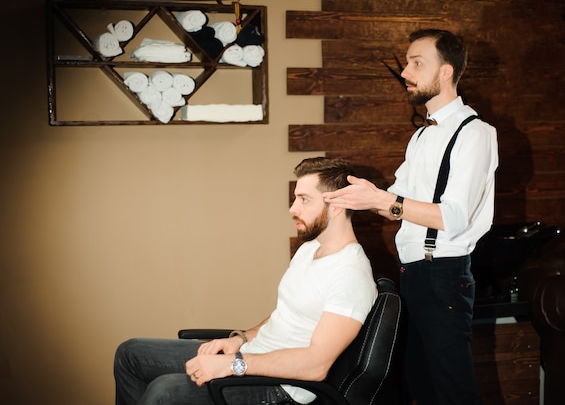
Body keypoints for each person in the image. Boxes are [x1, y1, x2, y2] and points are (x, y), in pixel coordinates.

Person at [323, 29, 498, 405]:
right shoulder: (420, 137)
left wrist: (385, 200)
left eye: (417, 63)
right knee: (420, 390)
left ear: (447, 72)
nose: (405, 72)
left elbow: (454, 216)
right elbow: (393, 203)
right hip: (414, 275)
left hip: (444, 275)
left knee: (454, 393)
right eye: (407, 63)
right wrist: (351, 197)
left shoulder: (475, 133)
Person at [114, 157, 378, 405]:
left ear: (337, 206)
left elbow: (316, 365)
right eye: (295, 198)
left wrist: (233, 364)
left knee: (165, 391)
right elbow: (284, 314)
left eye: (304, 200)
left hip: (281, 388)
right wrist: (240, 340)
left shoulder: (350, 275)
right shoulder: (311, 248)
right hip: (255, 354)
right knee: (130, 354)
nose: (292, 209)